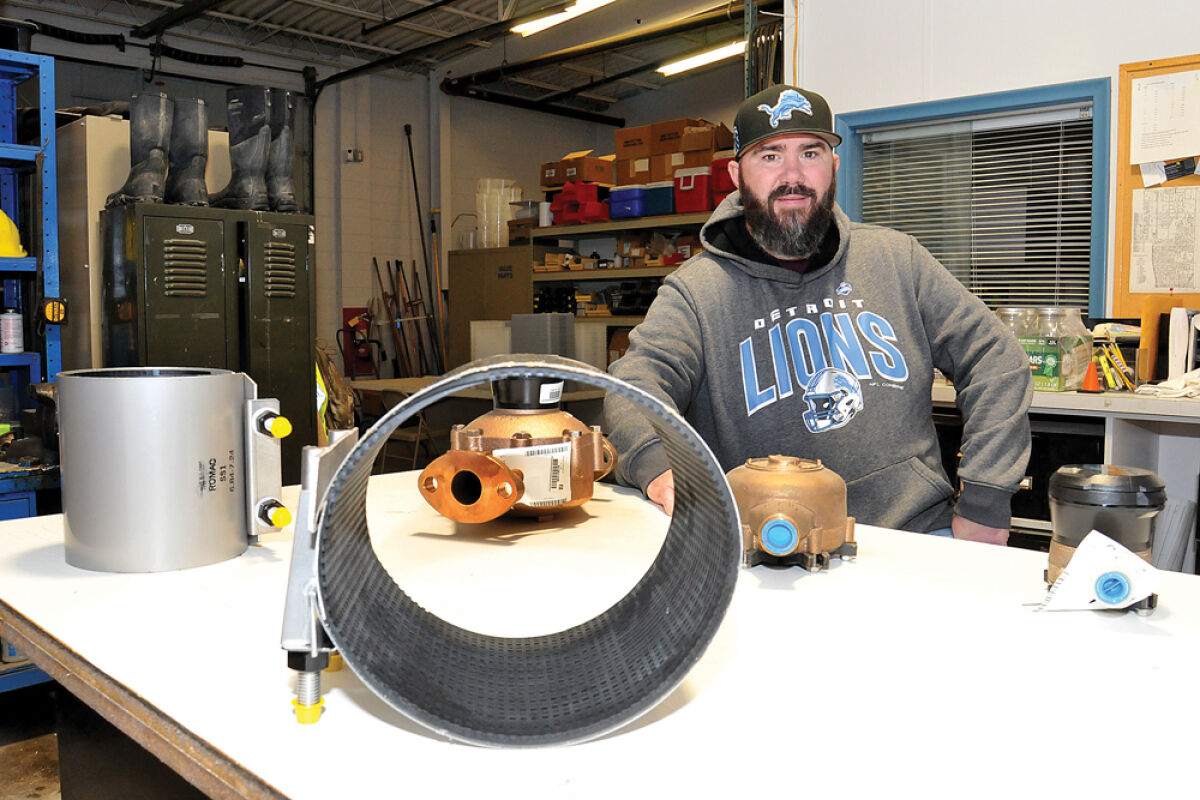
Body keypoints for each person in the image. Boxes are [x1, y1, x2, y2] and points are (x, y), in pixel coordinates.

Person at [604, 84, 1032, 544]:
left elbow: (995, 358)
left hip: (916, 537)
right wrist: (658, 463)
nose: (793, 175)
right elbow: (634, 385)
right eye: (769, 156)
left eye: (811, 153)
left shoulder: (897, 259)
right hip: (772, 548)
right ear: (735, 174)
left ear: (834, 166)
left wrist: (987, 499)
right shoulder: (696, 291)